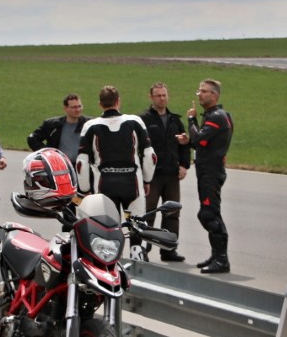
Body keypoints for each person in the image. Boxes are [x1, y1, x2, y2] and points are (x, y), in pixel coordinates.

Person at [76, 86, 156, 257]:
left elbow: (81, 163)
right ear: (118, 101)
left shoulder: (90, 126)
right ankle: (137, 257)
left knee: (107, 227)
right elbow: (150, 156)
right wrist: (147, 181)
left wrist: (84, 190)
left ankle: (108, 263)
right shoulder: (135, 122)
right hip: (131, 186)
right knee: (133, 222)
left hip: (105, 187)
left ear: (100, 104)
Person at [176, 79, 234, 274]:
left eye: (204, 91)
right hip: (207, 170)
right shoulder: (214, 115)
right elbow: (201, 143)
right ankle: (216, 255)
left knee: (209, 214)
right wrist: (188, 141)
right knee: (208, 213)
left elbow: (200, 139)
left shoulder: (216, 116)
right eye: (199, 90)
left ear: (214, 95)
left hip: (211, 172)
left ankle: (222, 260)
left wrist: (191, 120)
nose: (199, 94)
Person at [140, 82, 190, 262]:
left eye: (164, 95)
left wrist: (184, 165)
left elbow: (184, 144)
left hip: (171, 175)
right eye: (158, 95)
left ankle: (169, 250)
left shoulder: (175, 120)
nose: (162, 98)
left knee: (172, 213)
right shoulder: (143, 120)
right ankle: (142, 249)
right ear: (151, 97)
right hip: (151, 175)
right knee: (148, 213)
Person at [27, 93, 90, 162]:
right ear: (65, 108)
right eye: (74, 107)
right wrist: (47, 153)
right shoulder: (52, 124)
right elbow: (32, 139)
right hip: (59, 167)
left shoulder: (89, 124)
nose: (78, 110)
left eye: (79, 106)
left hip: (83, 168)